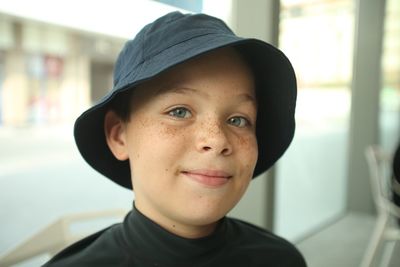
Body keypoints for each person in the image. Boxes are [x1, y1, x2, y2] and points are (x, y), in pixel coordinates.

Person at [43, 11, 307, 267]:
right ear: (119, 135)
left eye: (238, 120)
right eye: (179, 112)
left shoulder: (281, 260)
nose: (216, 140)